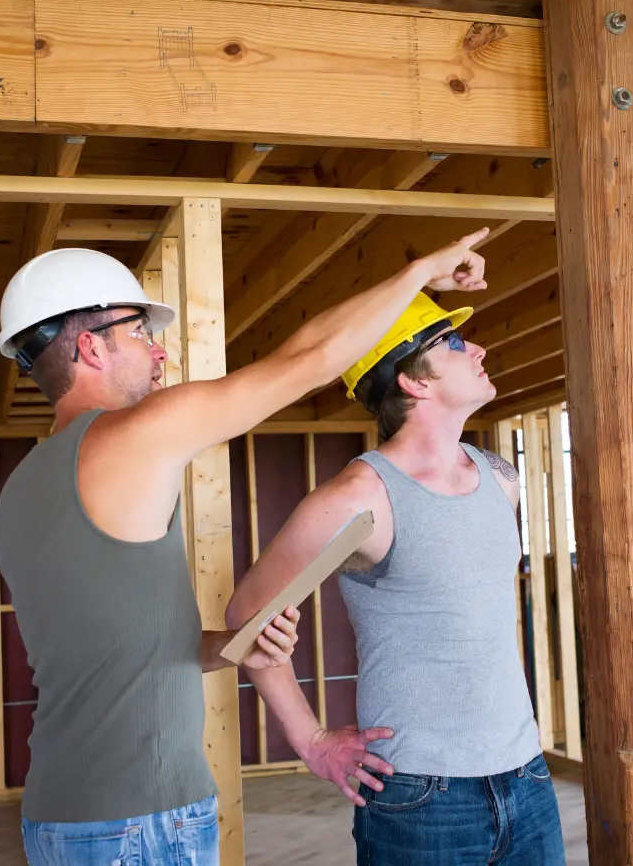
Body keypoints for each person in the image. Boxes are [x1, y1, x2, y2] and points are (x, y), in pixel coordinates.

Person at [0, 228, 490, 866]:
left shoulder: (24, 489)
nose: (160, 354)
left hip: (61, 815)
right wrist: (420, 270)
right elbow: (305, 360)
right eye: (141, 332)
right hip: (139, 822)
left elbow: (115, 658)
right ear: (90, 346)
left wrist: (228, 651)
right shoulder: (129, 436)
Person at [225, 293, 566, 864]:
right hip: (420, 798)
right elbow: (245, 615)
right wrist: (310, 742)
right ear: (414, 382)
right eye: (453, 344)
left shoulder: (499, 477)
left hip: (526, 776)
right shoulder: (361, 497)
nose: (477, 348)